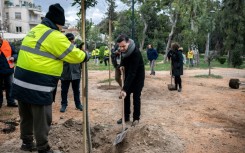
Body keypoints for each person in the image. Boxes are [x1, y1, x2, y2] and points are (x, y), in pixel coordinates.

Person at [12, 3, 88, 153]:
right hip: (38, 84)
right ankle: (43, 148)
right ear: (57, 23)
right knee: (42, 118)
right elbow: (73, 55)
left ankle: (27, 143)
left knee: (26, 114)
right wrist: (85, 55)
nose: (61, 29)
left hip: (20, 81)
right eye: (61, 26)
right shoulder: (54, 36)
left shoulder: (35, 30)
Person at [116, 34, 145, 126]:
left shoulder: (135, 52)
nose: (121, 48)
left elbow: (133, 72)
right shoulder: (123, 51)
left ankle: (136, 118)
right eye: (120, 46)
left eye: (123, 46)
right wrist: (121, 66)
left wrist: (124, 89)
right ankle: (126, 116)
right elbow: (123, 62)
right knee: (126, 97)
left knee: (136, 97)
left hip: (137, 78)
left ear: (128, 42)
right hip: (128, 76)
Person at [60, 33, 83, 113]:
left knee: (76, 90)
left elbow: (82, 58)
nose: (71, 41)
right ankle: (64, 105)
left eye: (71, 40)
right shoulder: (62, 49)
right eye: (69, 40)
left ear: (73, 40)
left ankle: (78, 104)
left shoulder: (77, 49)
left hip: (76, 73)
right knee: (64, 91)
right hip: (65, 73)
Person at [0, 35, 18, 108]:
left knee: (10, 86)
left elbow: (15, 53)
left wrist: (13, 57)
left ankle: (11, 102)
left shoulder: (8, 44)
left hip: (8, 70)